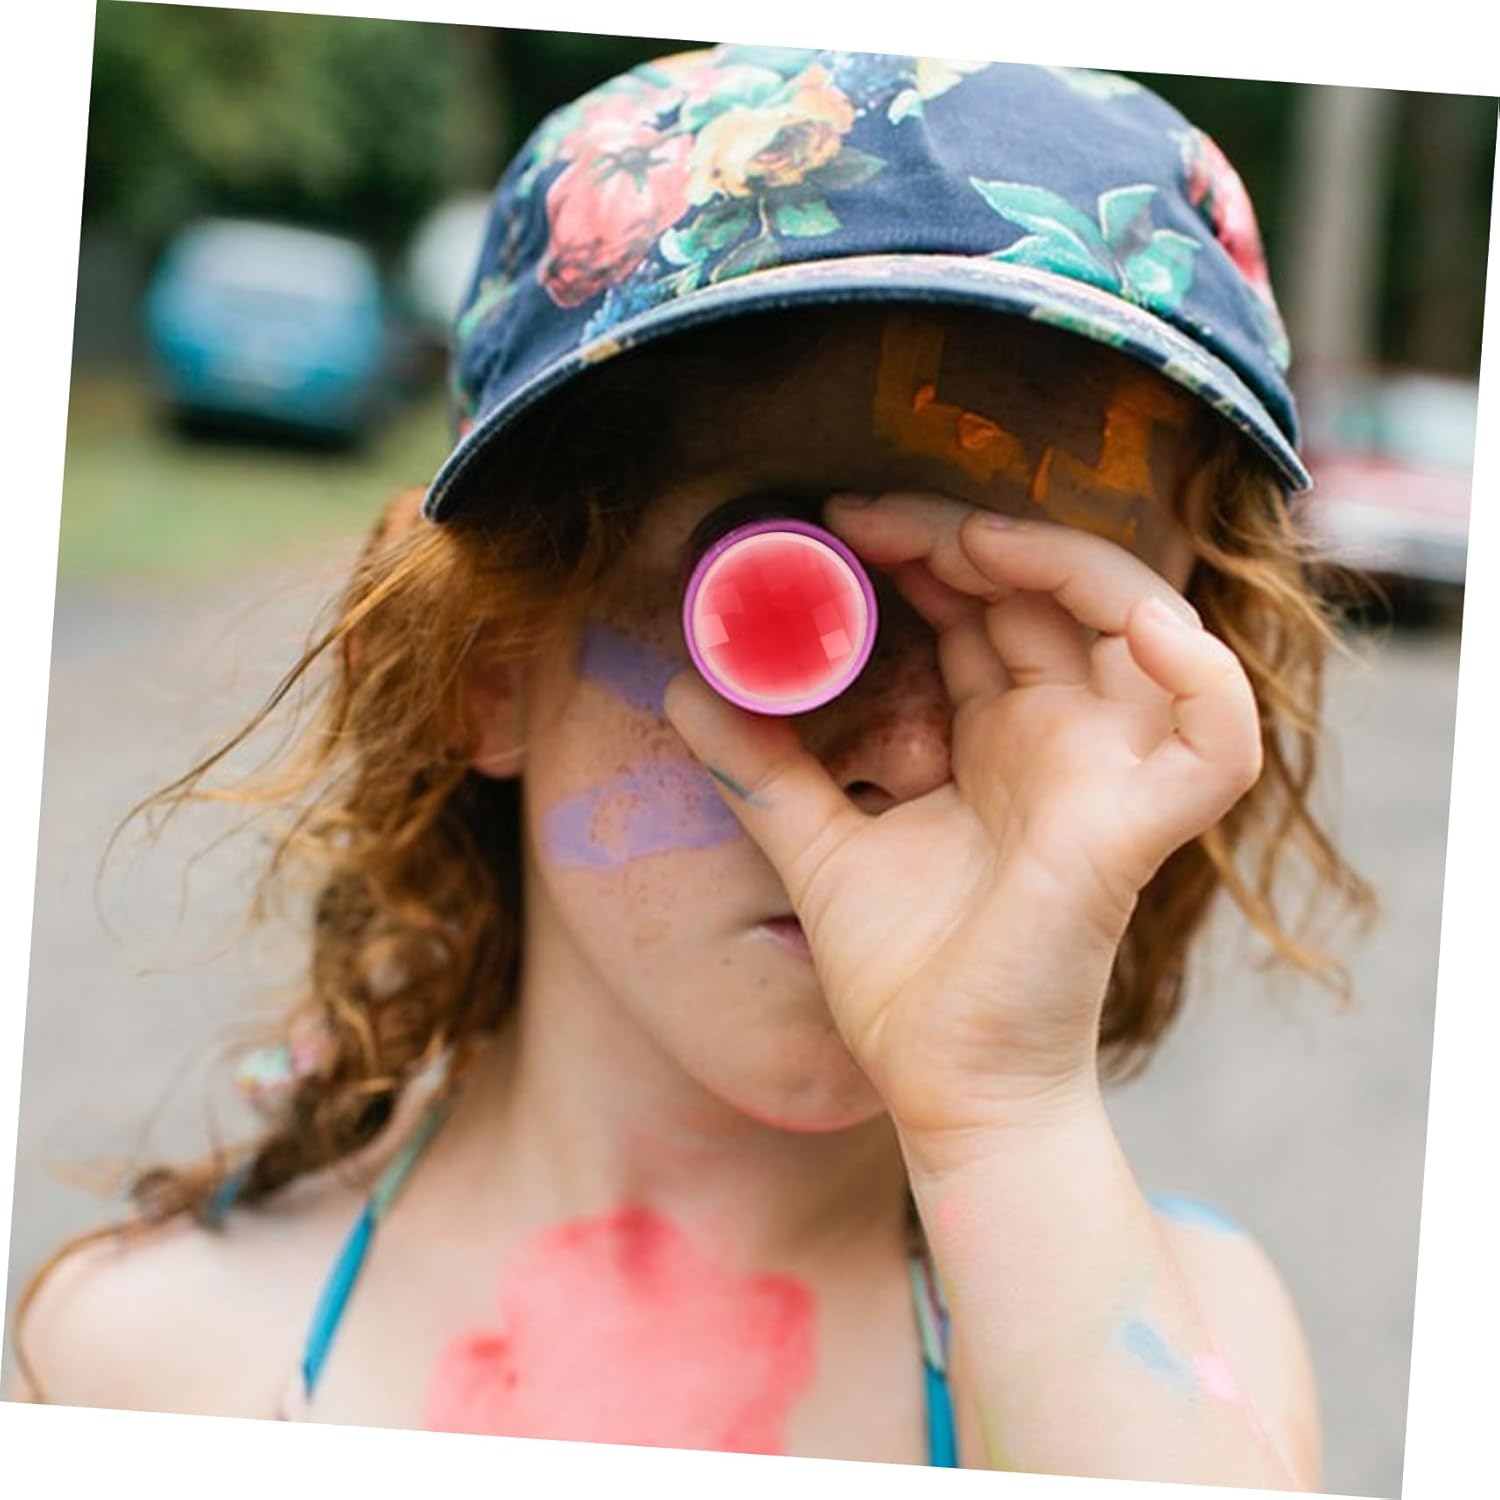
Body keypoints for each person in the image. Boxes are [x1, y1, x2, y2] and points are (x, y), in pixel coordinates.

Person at [12, 44, 1372, 1487]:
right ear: (491, 660)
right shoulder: (159, 1366)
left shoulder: (1177, 1372)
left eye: (1044, 635)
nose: (910, 754)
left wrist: (1001, 1116)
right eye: (788, 605)